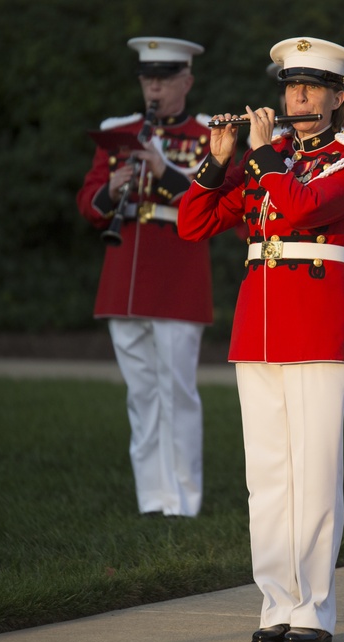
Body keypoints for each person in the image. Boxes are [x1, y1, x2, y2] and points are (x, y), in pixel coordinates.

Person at [177, 36, 344, 642]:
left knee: (314, 474)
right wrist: (219, 160)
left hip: (318, 326)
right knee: (266, 478)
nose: (297, 95)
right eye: (291, 86)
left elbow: (303, 210)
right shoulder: (273, 158)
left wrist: (263, 155)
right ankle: (276, 603)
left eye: (312, 86)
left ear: (337, 97)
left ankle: (314, 607)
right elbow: (193, 222)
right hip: (257, 327)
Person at [76, 37, 213, 518]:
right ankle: (152, 497)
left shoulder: (206, 136)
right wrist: (112, 191)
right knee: (141, 394)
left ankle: (184, 500)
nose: (153, 87)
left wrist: (166, 170)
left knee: (177, 390)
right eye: (147, 78)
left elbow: (215, 202)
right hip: (124, 277)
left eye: (164, 78)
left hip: (177, 277)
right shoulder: (119, 134)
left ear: (186, 81)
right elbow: (88, 203)